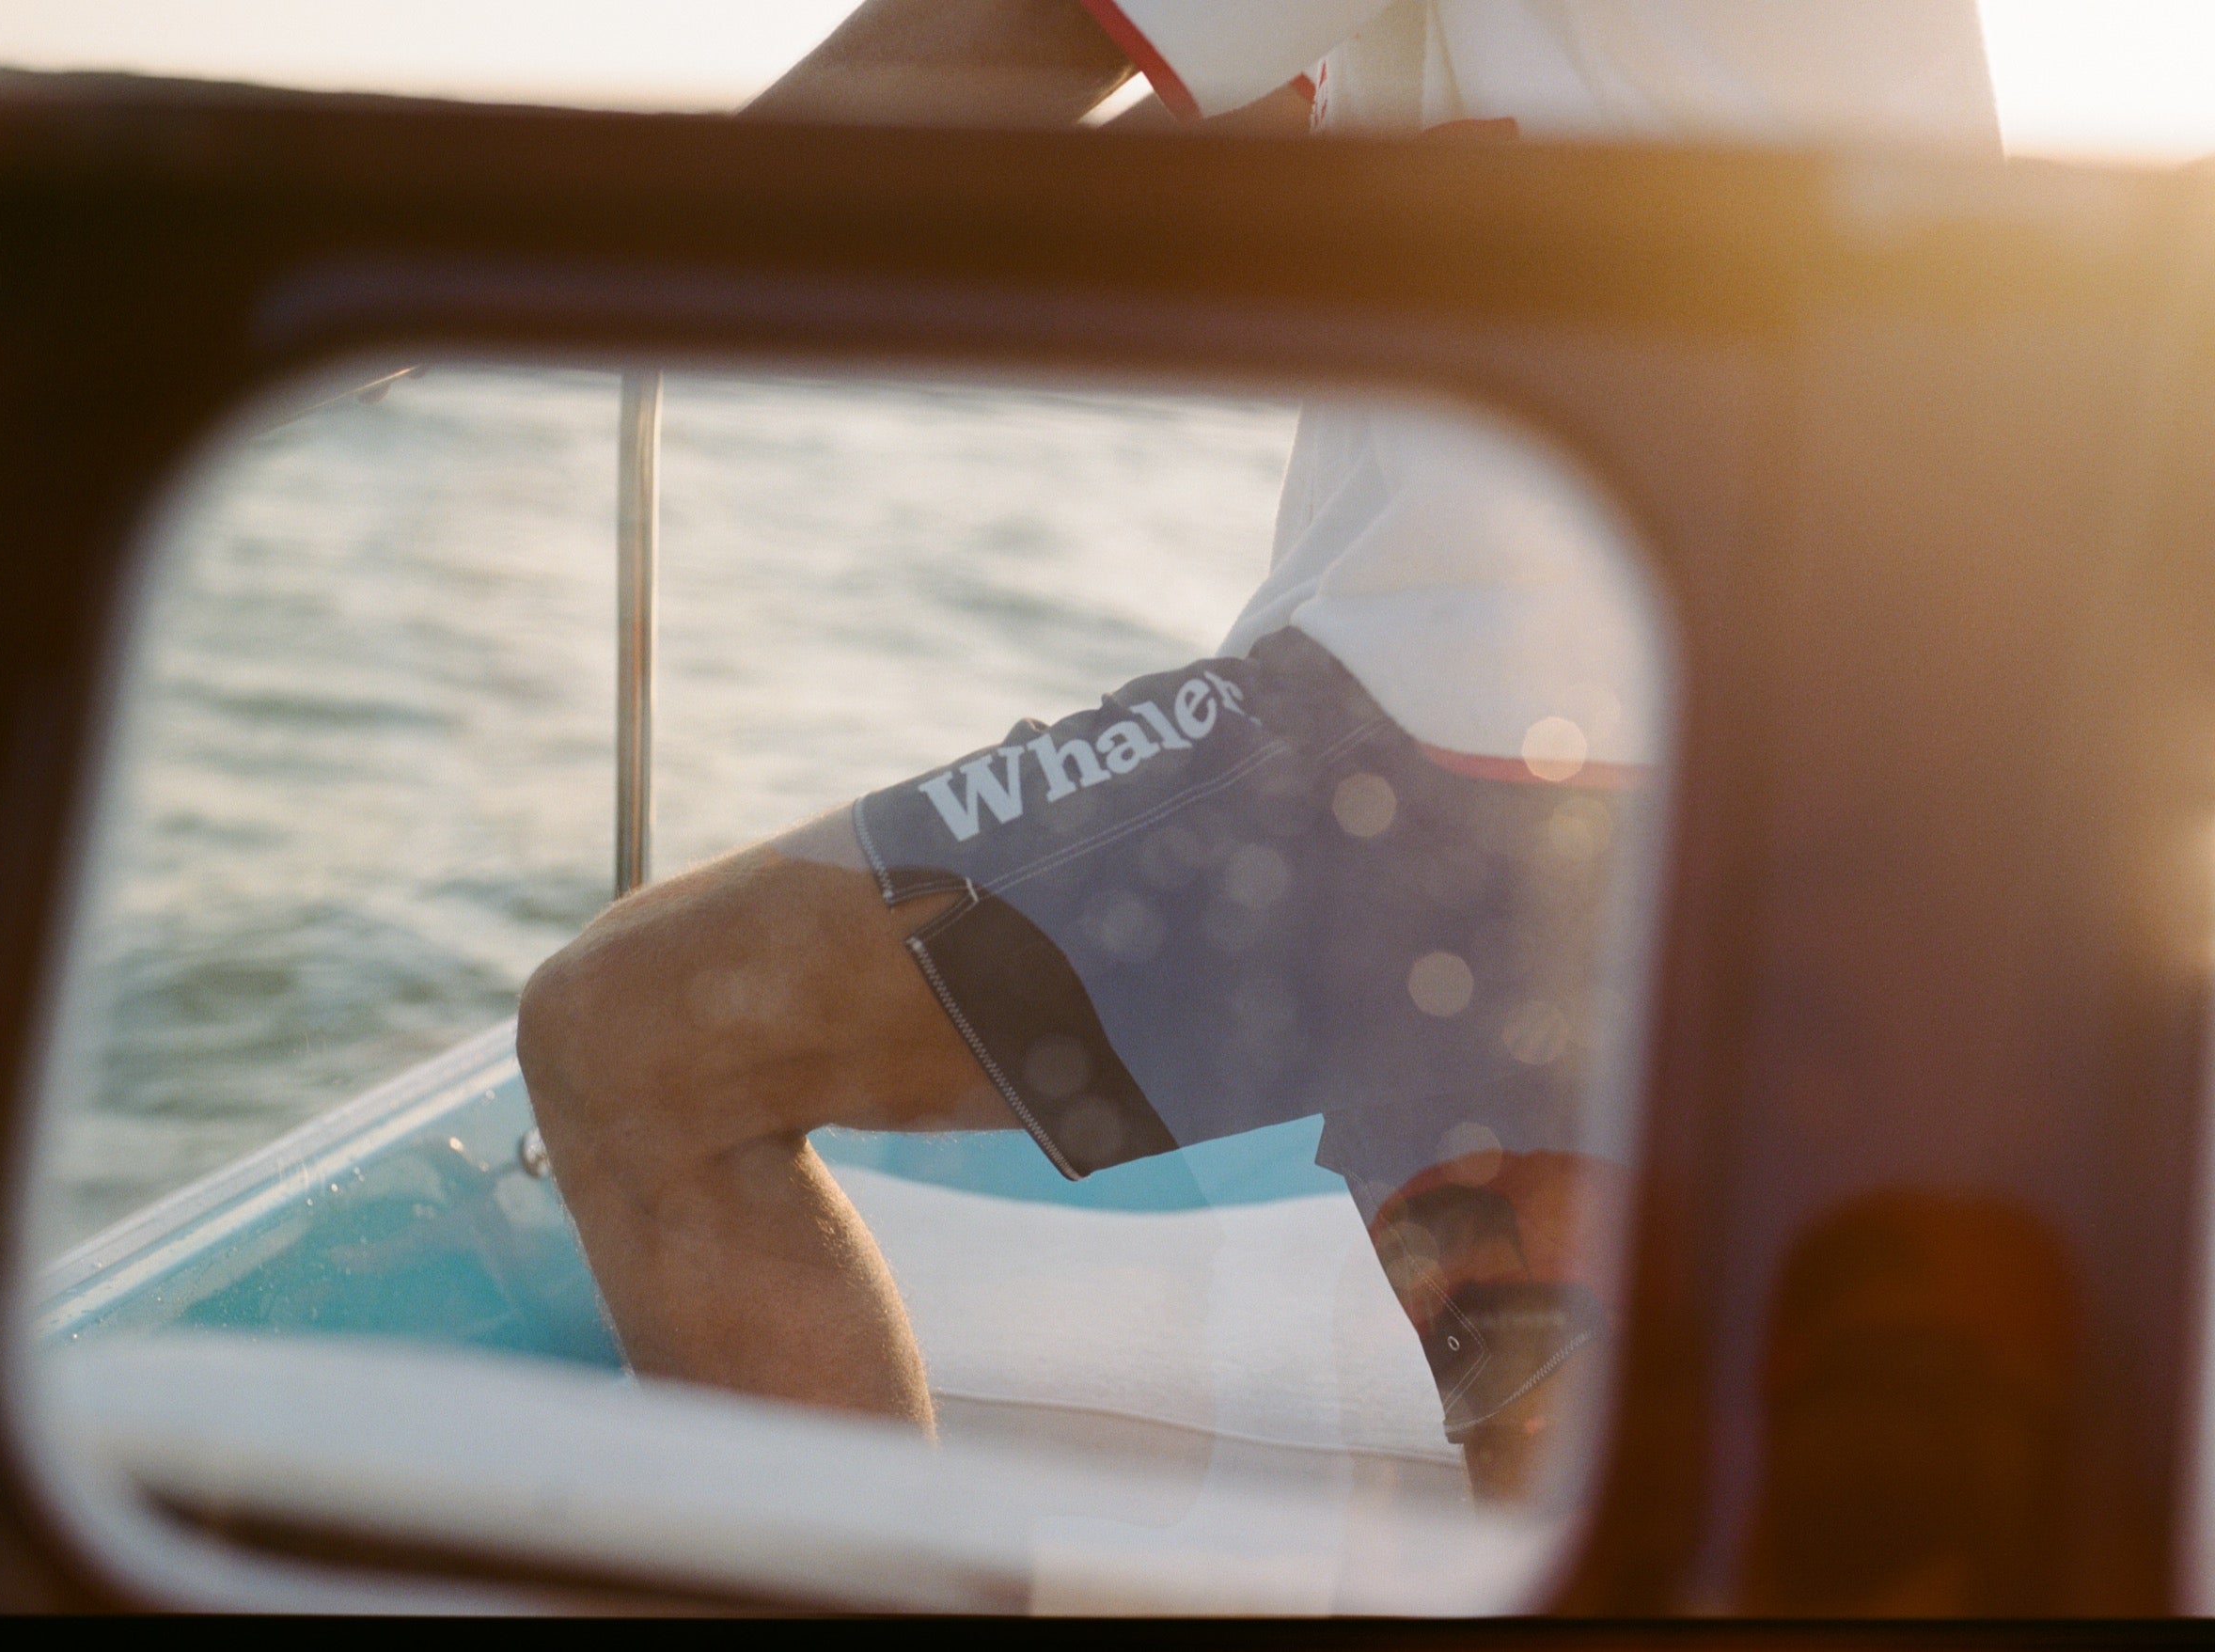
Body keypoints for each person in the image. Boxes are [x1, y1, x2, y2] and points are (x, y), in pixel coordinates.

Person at [517, 0, 2001, 1500]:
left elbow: (1041, 34)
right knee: (1556, 1444)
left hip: (1466, 737)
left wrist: (572, 237)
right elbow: (1226, 141)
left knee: (634, 1048)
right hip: (1804, 749)